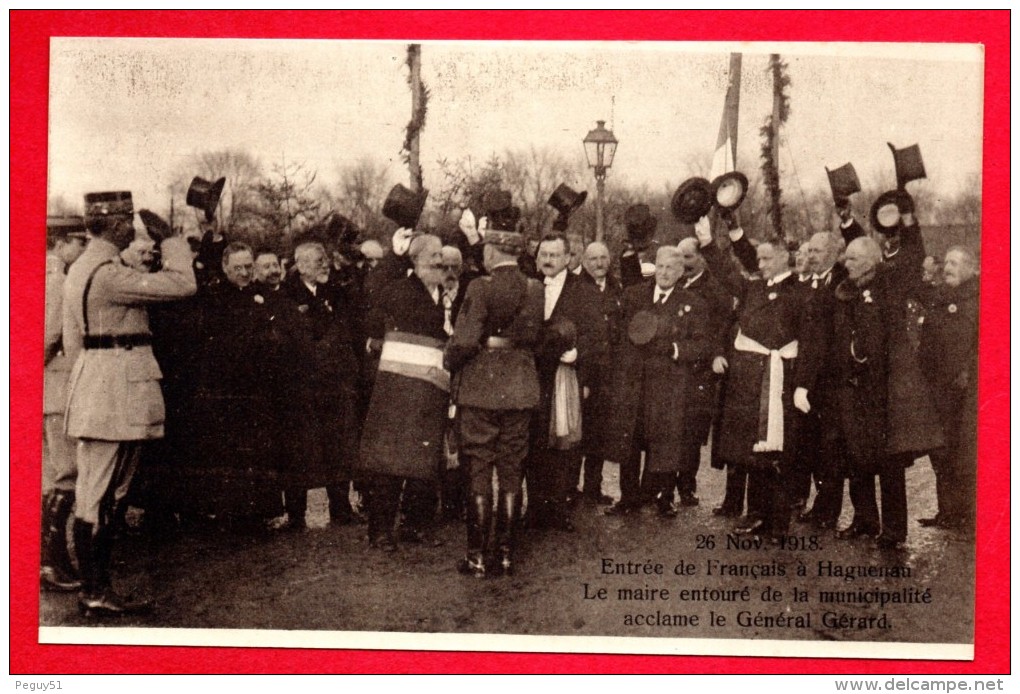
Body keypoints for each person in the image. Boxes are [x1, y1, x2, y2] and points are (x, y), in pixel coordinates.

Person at [63, 191, 196, 616]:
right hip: (114, 394)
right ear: (116, 225)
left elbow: (71, 339)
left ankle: (96, 589)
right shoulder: (108, 274)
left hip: (99, 387)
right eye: (128, 222)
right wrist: (174, 242)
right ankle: (95, 592)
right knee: (100, 496)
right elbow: (183, 284)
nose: (133, 229)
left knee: (100, 493)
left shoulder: (85, 267)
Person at [702, 219, 825, 541]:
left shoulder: (801, 294)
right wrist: (707, 244)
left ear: (786, 257)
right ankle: (755, 513)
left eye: (768, 258)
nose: (762, 263)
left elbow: (812, 342)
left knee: (779, 453)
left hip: (781, 381)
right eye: (760, 259)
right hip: (749, 382)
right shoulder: (753, 288)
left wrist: (803, 385)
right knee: (752, 450)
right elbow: (728, 273)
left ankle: (778, 521)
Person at [445, 195, 544, 577]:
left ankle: (476, 555)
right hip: (520, 388)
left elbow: (466, 341)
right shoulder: (536, 289)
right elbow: (534, 338)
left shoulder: (480, 289)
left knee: (479, 470)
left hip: (481, 390)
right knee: (511, 470)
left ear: (491, 250)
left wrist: (449, 360)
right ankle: (504, 553)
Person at [604, 246, 714, 517]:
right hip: (634, 383)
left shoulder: (693, 303)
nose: (664, 273)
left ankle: (663, 497)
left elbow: (702, 345)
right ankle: (629, 497)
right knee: (630, 440)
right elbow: (617, 335)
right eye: (660, 267)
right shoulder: (633, 295)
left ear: (679, 272)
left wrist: (675, 349)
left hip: (669, 386)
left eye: (670, 268)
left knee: (664, 441)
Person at [359, 234, 449, 550]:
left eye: (442, 255)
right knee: (391, 460)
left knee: (425, 459)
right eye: (434, 255)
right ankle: (380, 530)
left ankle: (416, 525)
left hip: (432, 387)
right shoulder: (399, 290)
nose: (440, 261)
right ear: (416, 259)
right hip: (400, 388)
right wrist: (394, 257)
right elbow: (374, 297)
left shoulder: (446, 293)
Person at [277, 241, 361, 530]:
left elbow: (346, 326)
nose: (324, 265)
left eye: (325, 259)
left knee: (338, 445)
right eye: (317, 261)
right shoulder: (287, 297)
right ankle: (297, 515)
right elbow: (294, 339)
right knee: (300, 450)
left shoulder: (335, 293)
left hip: (334, 384)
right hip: (303, 386)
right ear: (300, 266)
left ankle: (341, 507)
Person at [526, 232, 606, 531]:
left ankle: (560, 509)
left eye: (554, 255)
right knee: (534, 442)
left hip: (565, 377)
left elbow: (598, 338)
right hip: (532, 375)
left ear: (568, 258)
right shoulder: (529, 287)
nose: (548, 260)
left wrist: (578, 355)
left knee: (564, 443)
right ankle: (534, 509)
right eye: (543, 254)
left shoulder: (584, 292)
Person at [917, 246, 978, 531]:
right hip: (937, 386)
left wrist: (968, 371)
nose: (948, 268)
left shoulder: (980, 297)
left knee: (963, 452)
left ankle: (967, 514)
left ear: (970, 268)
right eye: (947, 263)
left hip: (966, 390)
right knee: (939, 451)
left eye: (955, 263)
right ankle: (947, 512)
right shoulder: (939, 296)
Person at [41, 215, 87, 592]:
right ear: (62, 243)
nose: (83, 249)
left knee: (50, 476)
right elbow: (47, 335)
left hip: (44, 389)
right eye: (79, 241)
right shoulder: (57, 280)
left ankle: (48, 561)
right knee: (66, 474)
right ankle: (52, 562)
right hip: (56, 388)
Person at [674, 237, 735, 508]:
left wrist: (717, 354)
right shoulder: (673, 283)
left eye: (687, 258)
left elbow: (721, 327)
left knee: (691, 430)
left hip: (699, 369)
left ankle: (686, 487)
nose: (682, 264)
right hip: (674, 365)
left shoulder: (715, 290)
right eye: (679, 258)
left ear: (701, 258)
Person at [794, 230, 850, 528]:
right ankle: (822, 507)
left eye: (816, 251)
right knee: (814, 446)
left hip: (832, 382)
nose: (811, 256)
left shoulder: (841, 280)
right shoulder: (814, 283)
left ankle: (828, 511)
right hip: (814, 381)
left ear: (832, 253)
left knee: (831, 450)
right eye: (810, 251)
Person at [575, 241, 623, 504]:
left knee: (599, 433)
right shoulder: (576, 288)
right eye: (593, 258)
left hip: (608, 374)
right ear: (584, 260)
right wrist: (582, 377)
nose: (599, 263)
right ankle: (570, 488)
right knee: (576, 432)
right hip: (584, 371)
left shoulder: (616, 288)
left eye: (603, 257)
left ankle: (593, 487)